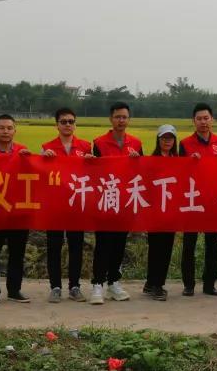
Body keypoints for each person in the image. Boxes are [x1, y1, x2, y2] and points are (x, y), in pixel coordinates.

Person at [89, 101, 142, 305]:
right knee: (103, 243)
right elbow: (93, 171)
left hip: (125, 201)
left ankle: (113, 282)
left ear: (129, 119)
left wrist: (137, 161)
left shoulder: (136, 143)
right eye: (118, 117)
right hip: (105, 200)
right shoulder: (99, 142)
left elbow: (142, 171)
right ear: (111, 119)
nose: (121, 120)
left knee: (120, 244)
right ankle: (97, 284)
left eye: (124, 117)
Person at [0, 114, 33, 305]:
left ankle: (14, 290)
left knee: (17, 253)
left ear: (15, 131)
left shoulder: (23, 152)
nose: (5, 131)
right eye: (1, 128)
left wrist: (36, 160)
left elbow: (35, 176)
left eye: (9, 128)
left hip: (18, 212)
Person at [41, 107, 91, 302]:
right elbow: (39, 174)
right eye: (63, 122)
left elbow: (93, 174)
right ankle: (55, 287)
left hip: (77, 203)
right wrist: (44, 160)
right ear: (57, 125)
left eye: (71, 121)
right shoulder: (47, 147)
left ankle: (74, 286)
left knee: (76, 246)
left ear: (75, 124)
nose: (67, 125)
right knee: (54, 246)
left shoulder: (85, 147)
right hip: (54, 205)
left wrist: (91, 162)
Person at [179, 103, 217, 297]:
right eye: (199, 119)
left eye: (206, 118)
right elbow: (179, 172)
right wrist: (190, 164)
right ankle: (188, 285)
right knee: (189, 245)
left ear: (212, 119)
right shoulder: (185, 144)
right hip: (192, 200)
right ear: (193, 121)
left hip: (212, 200)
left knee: (212, 245)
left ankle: (209, 285)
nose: (203, 122)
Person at [143, 125, 181, 301]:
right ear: (158, 140)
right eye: (164, 138)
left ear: (174, 141)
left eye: (170, 138)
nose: (167, 141)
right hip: (155, 212)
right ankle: (156, 285)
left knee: (166, 248)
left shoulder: (178, 160)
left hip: (171, 212)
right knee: (156, 248)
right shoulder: (151, 161)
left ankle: (153, 282)